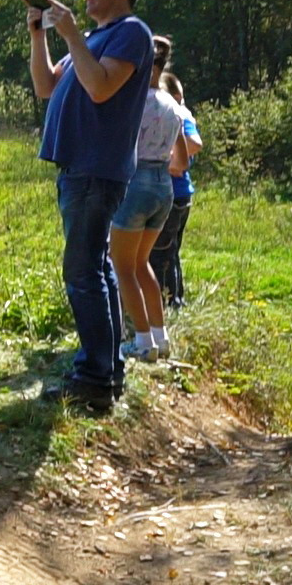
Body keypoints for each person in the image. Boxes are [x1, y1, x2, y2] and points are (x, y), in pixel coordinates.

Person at [27, 0, 155, 412]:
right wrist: (39, 32)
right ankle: (106, 371)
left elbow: (101, 88)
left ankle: (95, 378)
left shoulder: (132, 33)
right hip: (78, 168)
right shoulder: (92, 40)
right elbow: (45, 86)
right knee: (95, 270)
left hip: (96, 169)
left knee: (82, 272)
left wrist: (70, 36)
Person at [112, 36, 189, 363]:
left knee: (122, 265)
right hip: (164, 188)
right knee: (142, 263)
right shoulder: (173, 104)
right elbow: (181, 161)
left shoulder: (131, 101)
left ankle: (142, 341)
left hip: (136, 182)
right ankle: (160, 335)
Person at [148, 71, 203, 308]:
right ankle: (174, 301)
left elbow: (195, 144)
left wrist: (167, 159)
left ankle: (168, 304)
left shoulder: (179, 114)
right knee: (169, 251)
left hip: (174, 194)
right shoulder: (175, 112)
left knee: (161, 254)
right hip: (178, 194)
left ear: (176, 95)